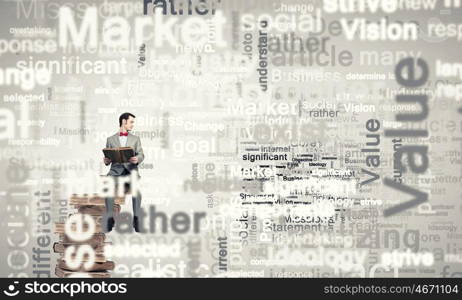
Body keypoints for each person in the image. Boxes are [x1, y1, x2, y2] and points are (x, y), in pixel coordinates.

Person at [103, 112, 144, 232]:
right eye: (131, 122)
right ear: (124, 122)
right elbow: (107, 160)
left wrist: (137, 159)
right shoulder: (110, 139)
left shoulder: (136, 139)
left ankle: (136, 219)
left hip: (131, 171)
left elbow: (141, 154)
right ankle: (110, 219)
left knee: (136, 190)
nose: (132, 125)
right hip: (115, 172)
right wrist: (106, 160)